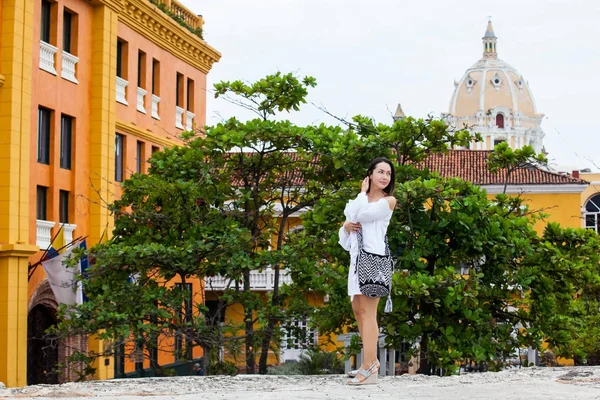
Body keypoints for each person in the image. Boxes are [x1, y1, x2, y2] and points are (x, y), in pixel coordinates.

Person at [338, 157, 396, 385]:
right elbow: (346, 235)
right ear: (370, 174)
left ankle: (369, 365)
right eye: (380, 172)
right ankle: (370, 363)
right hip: (357, 261)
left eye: (388, 174)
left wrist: (361, 195)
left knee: (369, 313)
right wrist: (345, 226)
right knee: (358, 310)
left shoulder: (388, 201)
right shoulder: (361, 200)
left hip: (374, 261)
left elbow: (360, 216)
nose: (384, 177)